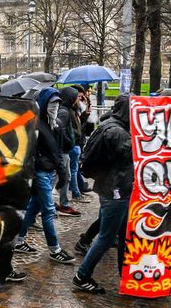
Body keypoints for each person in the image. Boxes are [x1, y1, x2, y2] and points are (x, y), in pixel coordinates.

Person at [73, 95, 133, 294]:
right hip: (116, 191)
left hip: (113, 188)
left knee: (123, 235)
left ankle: (125, 274)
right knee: (106, 237)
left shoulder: (110, 124)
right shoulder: (119, 133)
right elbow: (129, 156)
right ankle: (82, 276)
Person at [14, 87, 75, 264]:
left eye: (57, 104)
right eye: (52, 103)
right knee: (48, 211)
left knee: (34, 207)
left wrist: (61, 174)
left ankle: (19, 240)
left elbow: (62, 148)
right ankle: (54, 249)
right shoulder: (35, 124)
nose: (55, 107)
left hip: (49, 171)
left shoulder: (54, 123)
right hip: (40, 172)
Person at [55, 87, 82, 217]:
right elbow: (60, 130)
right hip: (64, 151)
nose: (79, 99)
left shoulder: (68, 110)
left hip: (66, 150)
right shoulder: (64, 112)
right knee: (62, 178)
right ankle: (60, 205)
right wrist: (69, 141)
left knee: (66, 177)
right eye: (77, 97)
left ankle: (62, 203)